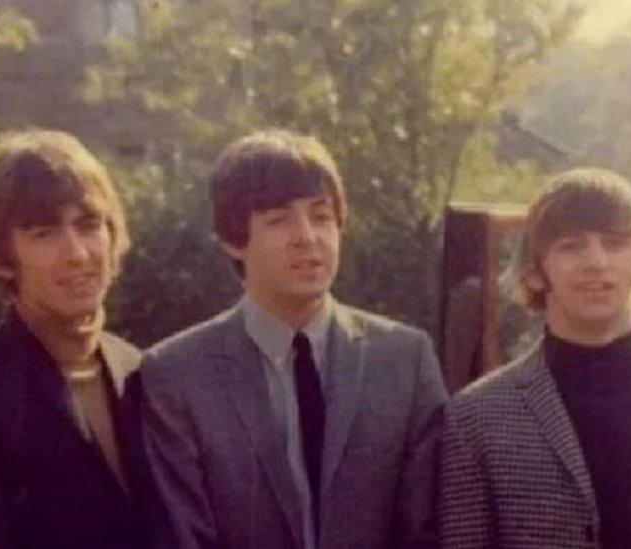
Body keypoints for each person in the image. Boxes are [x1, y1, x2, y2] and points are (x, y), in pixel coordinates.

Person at [141, 129, 448, 548]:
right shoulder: (177, 375)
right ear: (233, 240)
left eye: (321, 217)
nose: (307, 236)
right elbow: (183, 536)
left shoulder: (403, 360)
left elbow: (426, 530)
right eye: (279, 219)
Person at [0, 131, 154, 548]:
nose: (76, 252)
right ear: (3, 257)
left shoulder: (140, 370)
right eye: (44, 233)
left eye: (88, 225)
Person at [439, 168, 631, 548]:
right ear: (535, 271)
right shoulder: (477, 417)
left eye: (614, 243)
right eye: (572, 245)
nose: (596, 261)